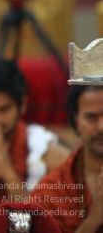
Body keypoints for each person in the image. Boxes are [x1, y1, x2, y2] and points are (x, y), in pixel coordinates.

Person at [0, 59, 70, 221]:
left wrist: (7, 173)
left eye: (4, 109)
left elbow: (37, 225)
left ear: (22, 105)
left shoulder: (47, 153)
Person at [30, 85, 103, 232]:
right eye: (91, 118)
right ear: (76, 120)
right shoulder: (51, 192)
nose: (101, 127)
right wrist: (93, 220)